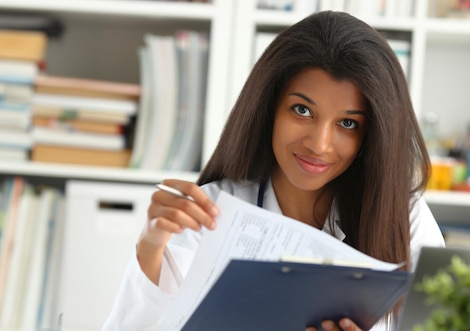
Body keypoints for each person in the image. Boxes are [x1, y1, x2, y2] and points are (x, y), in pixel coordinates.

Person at [103, 10, 444, 331]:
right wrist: (151, 248)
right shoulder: (209, 211)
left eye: (347, 123)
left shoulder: (405, 219)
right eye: (302, 110)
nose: (320, 144)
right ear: (270, 108)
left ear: (372, 135)